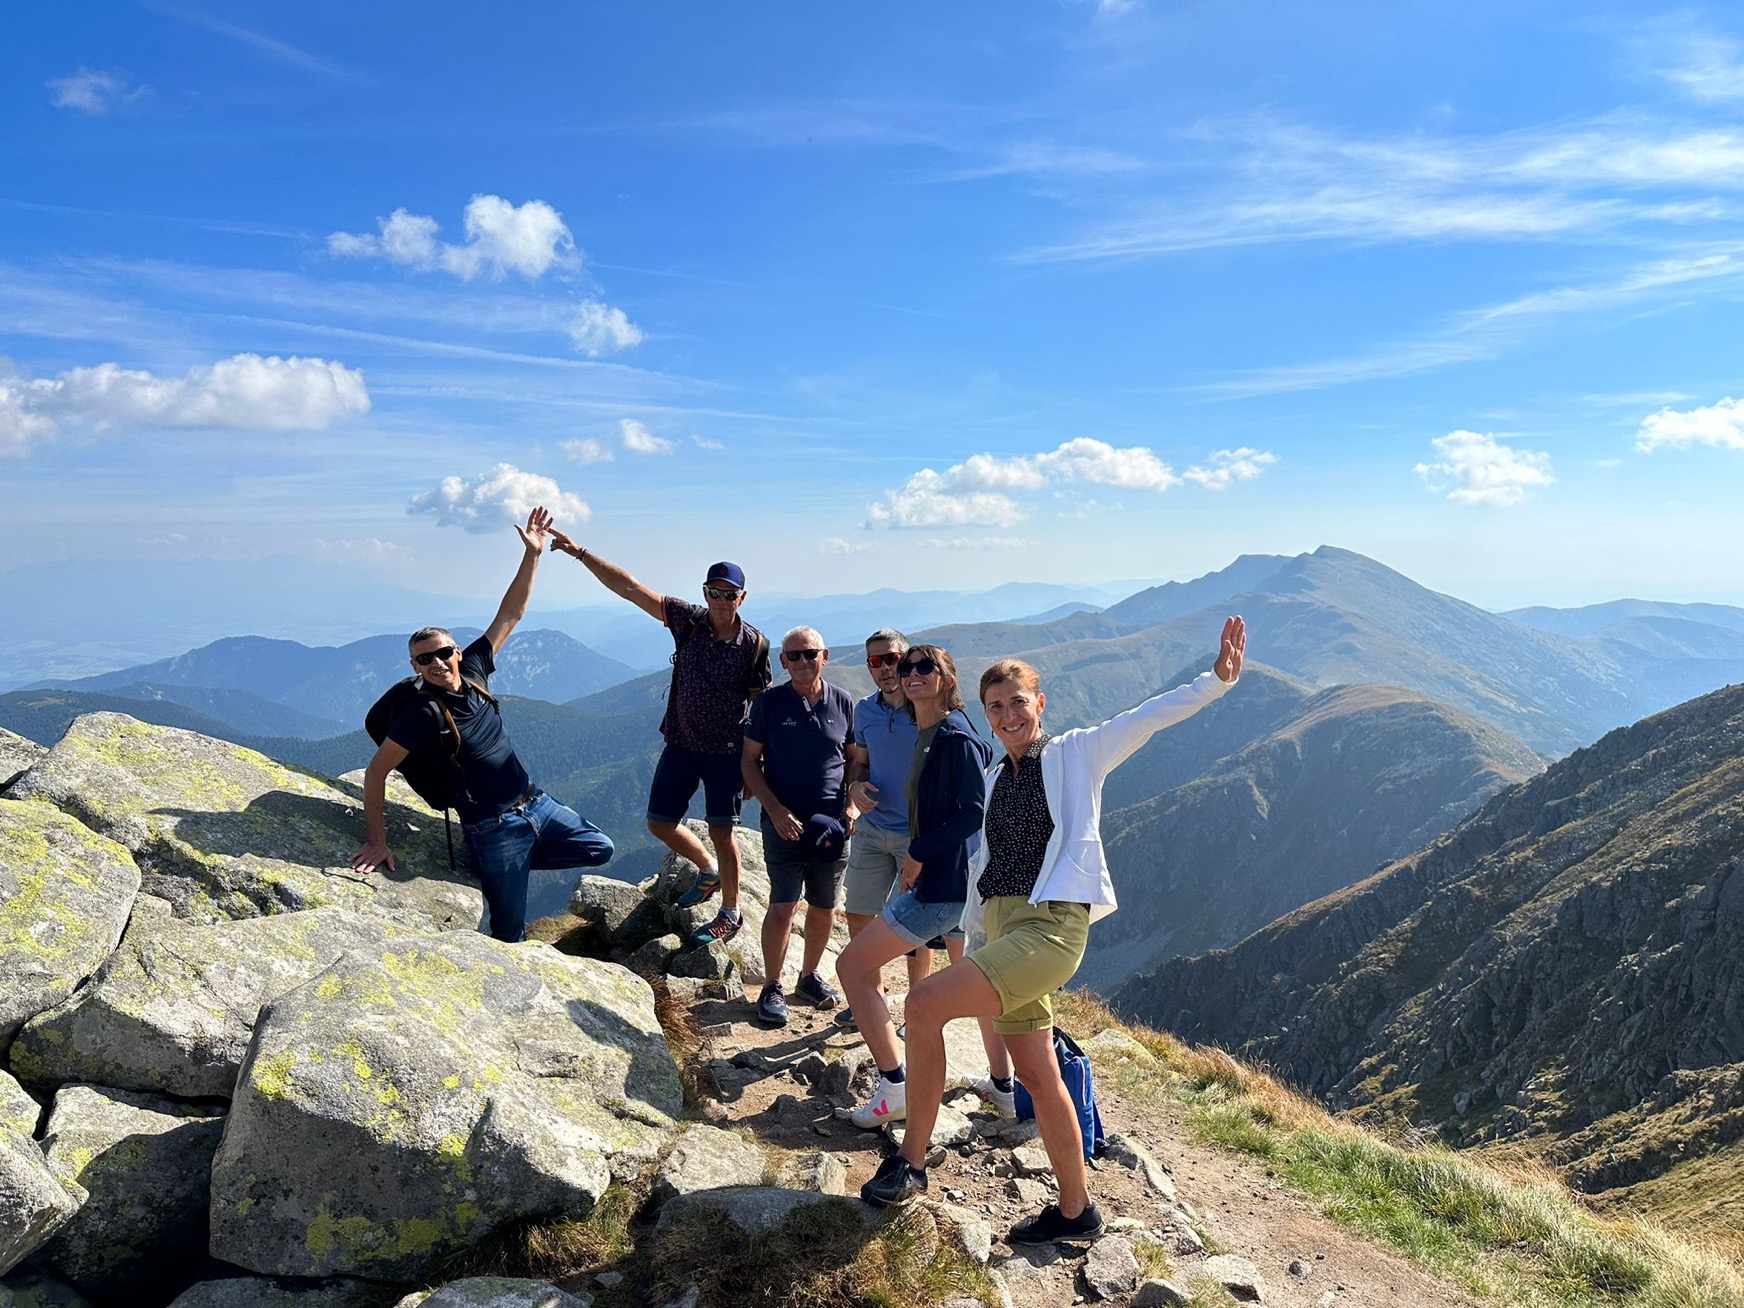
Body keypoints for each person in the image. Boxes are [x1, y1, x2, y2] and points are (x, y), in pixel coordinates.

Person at [860, 616, 1247, 1245]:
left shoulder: (1076, 754)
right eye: (996, 707)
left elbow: (1145, 717)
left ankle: (911, 1162)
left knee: (925, 1004)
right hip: (1006, 929)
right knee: (1038, 1072)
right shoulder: (992, 778)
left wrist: (1216, 682)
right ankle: (1076, 1211)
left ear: (1040, 703)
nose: (1009, 715)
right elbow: (986, 868)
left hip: (1052, 930)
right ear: (985, 715)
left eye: (1018, 702)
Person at [350, 507, 614, 943]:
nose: (437, 663)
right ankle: (498, 865)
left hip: (536, 804)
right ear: (414, 666)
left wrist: (534, 555)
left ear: (457, 651)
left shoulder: (474, 669)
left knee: (599, 847)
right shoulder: (422, 714)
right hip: (492, 828)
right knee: (510, 934)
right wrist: (376, 841)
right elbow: (376, 772)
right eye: (424, 659)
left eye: (444, 652)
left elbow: (511, 613)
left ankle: (508, 864)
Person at [548, 533, 771, 947]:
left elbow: (761, 709)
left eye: (730, 594)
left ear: (743, 597)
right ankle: (707, 871)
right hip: (681, 744)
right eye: (714, 592)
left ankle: (732, 912)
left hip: (726, 753)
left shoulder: (755, 646)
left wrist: (756, 767)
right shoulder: (687, 619)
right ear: (704, 593)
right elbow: (630, 588)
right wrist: (580, 553)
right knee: (659, 823)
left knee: (724, 832)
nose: (721, 600)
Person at [835, 644, 1014, 1127]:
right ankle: (1005, 1088)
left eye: (924, 667)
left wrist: (918, 852)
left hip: (943, 887)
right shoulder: (930, 731)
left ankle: (894, 1086)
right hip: (955, 884)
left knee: (852, 967)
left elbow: (973, 812)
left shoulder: (953, 737)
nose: (910, 673)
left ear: (947, 678)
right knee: (980, 985)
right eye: (905, 666)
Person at [740, 626, 856, 1026]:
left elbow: (855, 758)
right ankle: (771, 986)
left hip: (832, 826)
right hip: (783, 822)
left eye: (811, 654)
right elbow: (748, 762)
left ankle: (808, 977)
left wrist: (852, 807)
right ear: (783, 662)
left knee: (824, 906)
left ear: (825, 655)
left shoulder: (843, 701)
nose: (804, 662)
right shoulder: (769, 705)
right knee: (783, 905)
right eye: (795, 656)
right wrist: (774, 810)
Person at [837, 629, 930, 1031]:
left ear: (906, 659)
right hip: (873, 830)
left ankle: (918, 1008)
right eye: (875, 662)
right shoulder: (865, 710)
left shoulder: (927, 707)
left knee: (916, 925)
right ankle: (869, 1000)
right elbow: (860, 760)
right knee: (859, 914)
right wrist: (854, 787)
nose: (885, 668)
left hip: (917, 833)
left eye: (891, 659)